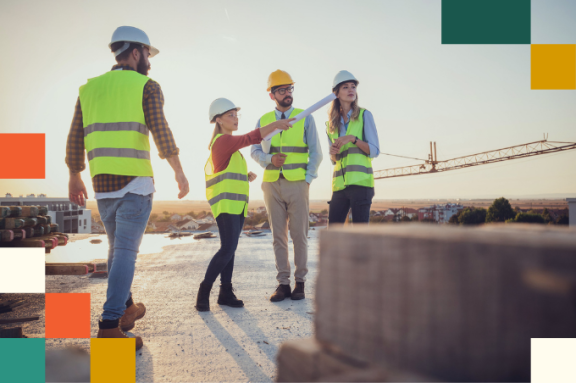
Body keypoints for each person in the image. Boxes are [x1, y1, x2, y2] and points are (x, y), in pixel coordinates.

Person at [66, 26, 189, 351]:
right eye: (147, 54)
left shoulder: (89, 89)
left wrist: (74, 174)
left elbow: (75, 135)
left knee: (116, 248)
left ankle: (127, 309)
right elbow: (159, 129)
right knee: (124, 253)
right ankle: (109, 326)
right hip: (134, 182)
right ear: (136, 53)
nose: (149, 60)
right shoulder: (146, 85)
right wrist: (178, 170)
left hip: (102, 186)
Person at [196, 98, 294, 311]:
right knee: (227, 248)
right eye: (230, 115)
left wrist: (245, 175)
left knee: (229, 249)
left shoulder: (229, 145)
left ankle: (225, 292)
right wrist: (276, 125)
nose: (235, 118)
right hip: (226, 206)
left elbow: (224, 172)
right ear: (219, 120)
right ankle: (204, 292)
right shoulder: (223, 141)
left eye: (235, 114)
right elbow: (252, 137)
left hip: (236, 206)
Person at [251, 70, 323, 302]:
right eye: (282, 90)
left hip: (297, 184)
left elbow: (316, 152)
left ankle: (300, 283)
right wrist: (269, 160)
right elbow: (254, 150)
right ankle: (283, 283)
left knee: (299, 235)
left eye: (290, 89)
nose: (287, 93)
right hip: (271, 184)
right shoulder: (263, 121)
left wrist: (308, 179)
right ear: (272, 95)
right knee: (278, 237)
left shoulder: (305, 117)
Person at [326, 70, 380, 224]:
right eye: (345, 87)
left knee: (359, 236)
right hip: (339, 187)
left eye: (353, 87)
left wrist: (353, 139)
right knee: (334, 233)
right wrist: (332, 153)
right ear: (336, 93)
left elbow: (374, 151)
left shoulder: (364, 116)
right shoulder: (330, 125)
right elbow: (334, 160)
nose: (351, 90)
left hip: (361, 185)